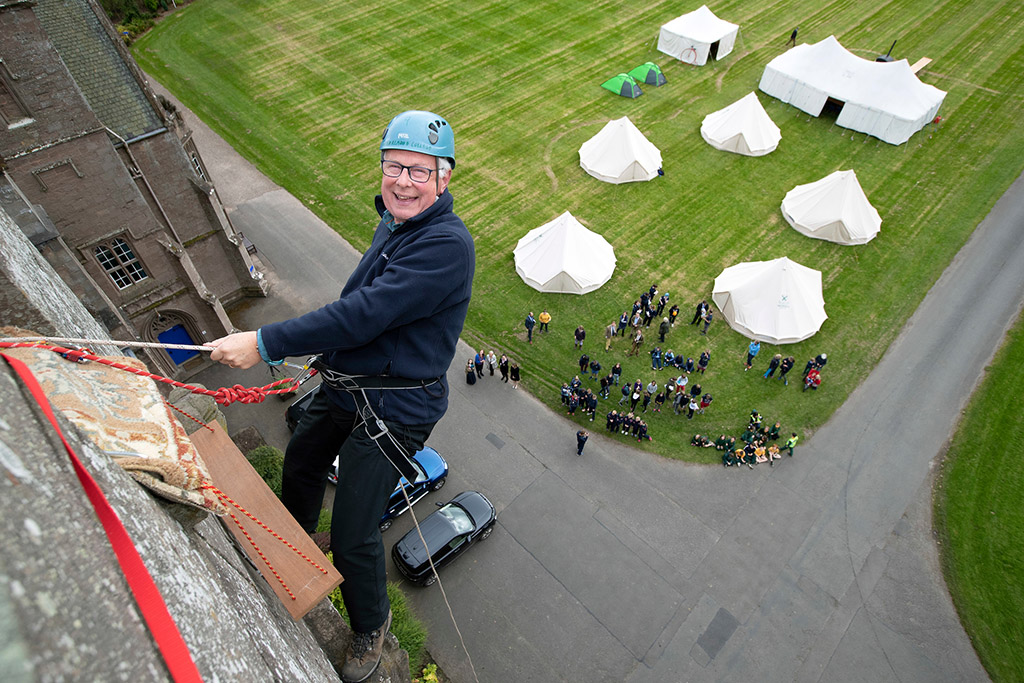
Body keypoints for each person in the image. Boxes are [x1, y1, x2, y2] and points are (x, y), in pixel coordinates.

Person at [207, 110, 472, 682]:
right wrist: (324, 360)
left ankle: (371, 627)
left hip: (400, 405)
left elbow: (365, 314)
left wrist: (264, 340)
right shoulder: (397, 225)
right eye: (394, 166)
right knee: (302, 455)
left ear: (443, 179)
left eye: (419, 171)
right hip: (354, 382)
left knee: (354, 534)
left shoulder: (446, 246)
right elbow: (366, 306)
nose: (403, 180)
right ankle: (296, 543)